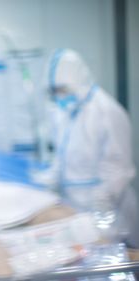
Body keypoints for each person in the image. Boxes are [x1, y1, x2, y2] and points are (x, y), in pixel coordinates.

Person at [46, 48, 137, 242]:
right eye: (55, 91)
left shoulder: (107, 111)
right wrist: (47, 182)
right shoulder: (64, 113)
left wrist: (100, 206)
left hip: (109, 210)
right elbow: (60, 157)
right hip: (75, 209)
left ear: (77, 81)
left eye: (63, 89)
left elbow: (118, 169)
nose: (59, 96)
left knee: (115, 260)